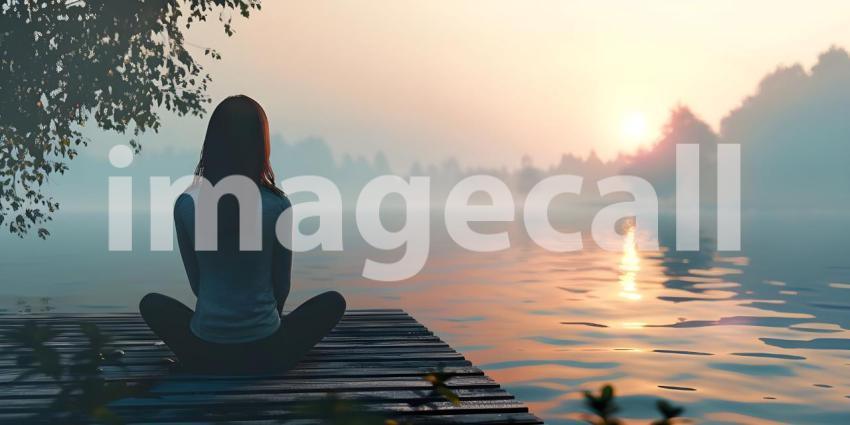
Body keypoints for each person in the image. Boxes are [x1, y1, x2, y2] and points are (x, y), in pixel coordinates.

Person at [139, 95, 346, 374]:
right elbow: (280, 287)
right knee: (333, 302)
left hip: (205, 350)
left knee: (151, 304)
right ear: (261, 145)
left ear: (211, 145)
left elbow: (199, 286)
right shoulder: (277, 205)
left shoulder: (186, 204)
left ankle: (203, 359)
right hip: (266, 352)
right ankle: (270, 352)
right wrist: (264, 326)